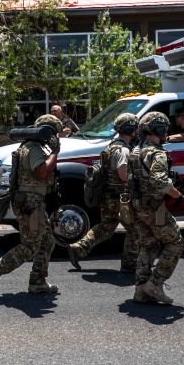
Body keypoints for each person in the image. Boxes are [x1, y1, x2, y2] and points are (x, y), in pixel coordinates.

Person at [0, 114, 63, 295]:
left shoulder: (29, 146)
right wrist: (55, 153)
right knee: (31, 245)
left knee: (47, 241)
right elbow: (41, 172)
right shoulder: (33, 148)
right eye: (54, 134)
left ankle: (38, 281)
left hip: (32, 202)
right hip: (31, 204)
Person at [67, 113, 139, 272]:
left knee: (106, 227)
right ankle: (129, 264)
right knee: (135, 229)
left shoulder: (110, 147)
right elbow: (122, 174)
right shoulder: (123, 150)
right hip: (121, 197)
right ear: (131, 129)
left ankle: (79, 248)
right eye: (135, 127)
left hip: (107, 195)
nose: (137, 130)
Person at [128, 111, 184, 304]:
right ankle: (155, 283)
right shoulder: (156, 152)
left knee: (148, 245)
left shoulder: (135, 150)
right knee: (176, 242)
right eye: (164, 129)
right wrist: (177, 194)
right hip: (155, 208)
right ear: (158, 129)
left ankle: (140, 290)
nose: (166, 133)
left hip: (137, 206)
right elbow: (159, 181)